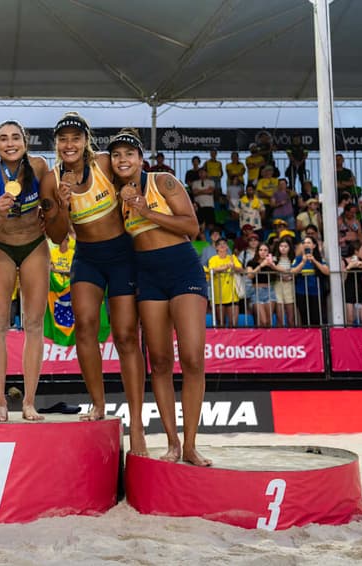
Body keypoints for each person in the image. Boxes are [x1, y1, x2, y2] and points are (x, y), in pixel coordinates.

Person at [40, 118, 147, 454]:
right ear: (55, 143)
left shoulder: (103, 163)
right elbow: (56, 235)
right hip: (86, 256)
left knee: (127, 335)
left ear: (85, 140)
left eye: (75, 138)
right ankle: (98, 405)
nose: (69, 145)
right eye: (62, 140)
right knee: (84, 328)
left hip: (121, 254)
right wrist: (60, 204)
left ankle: (137, 422)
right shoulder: (50, 179)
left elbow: (134, 182)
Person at [111, 129, 211, 466]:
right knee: (161, 361)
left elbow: (191, 227)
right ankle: (172, 442)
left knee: (193, 357)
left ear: (140, 159)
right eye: (116, 155)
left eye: (129, 154)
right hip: (148, 276)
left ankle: (192, 445)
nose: (123, 160)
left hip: (183, 269)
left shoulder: (163, 182)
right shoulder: (114, 195)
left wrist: (145, 211)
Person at [0, 120, 49, 421]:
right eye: (3, 139)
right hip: (1, 247)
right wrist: (1, 214)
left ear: (25, 142)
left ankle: (29, 402)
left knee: (33, 324)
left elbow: (52, 207)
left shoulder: (40, 167)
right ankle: (0, 403)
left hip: (34, 245)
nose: (9, 143)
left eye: (15, 137)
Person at [291, 236, 330, 326]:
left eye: (308, 243)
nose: (306, 245)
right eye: (304, 243)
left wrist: (314, 261)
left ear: (314, 245)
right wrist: (303, 263)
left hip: (316, 292)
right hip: (301, 292)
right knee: (304, 318)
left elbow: (327, 272)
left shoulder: (319, 259)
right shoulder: (298, 259)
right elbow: (292, 272)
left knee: (316, 318)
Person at [207, 238, 244, 327]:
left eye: (224, 243)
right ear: (216, 248)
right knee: (221, 323)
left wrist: (233, 267)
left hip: (232, 295)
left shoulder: (233, 258)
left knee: (234, 324)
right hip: (219, 295)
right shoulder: (213, 259)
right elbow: (212, 269)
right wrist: (227, 266)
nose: (222, 245)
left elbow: (241, 270)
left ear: (227, 246)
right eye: (219, 244)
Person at [245, 243, 278, 327]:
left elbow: (280, 272)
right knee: (262, 321)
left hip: (269, 291)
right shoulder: (251, 262)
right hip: (256, 292)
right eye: (260, 250)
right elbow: (250, 275)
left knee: (268, 321)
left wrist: (272, 265)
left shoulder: (272, 262)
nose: (263, 252)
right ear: (257, 251)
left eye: (265, 250)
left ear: (268, 252)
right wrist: (260, 265)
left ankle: (268, 339)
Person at [271, 237, 297, 327]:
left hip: (290, 286)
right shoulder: (274, 258)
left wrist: (290, 276)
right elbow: (272, 270)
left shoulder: (293, 259)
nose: (283, 248)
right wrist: (283, 274)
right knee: (280, 317)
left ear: (290, 247)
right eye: (281, 246)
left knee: (291, 318)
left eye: (286, 246)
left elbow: (296, 272)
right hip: (278, 285)